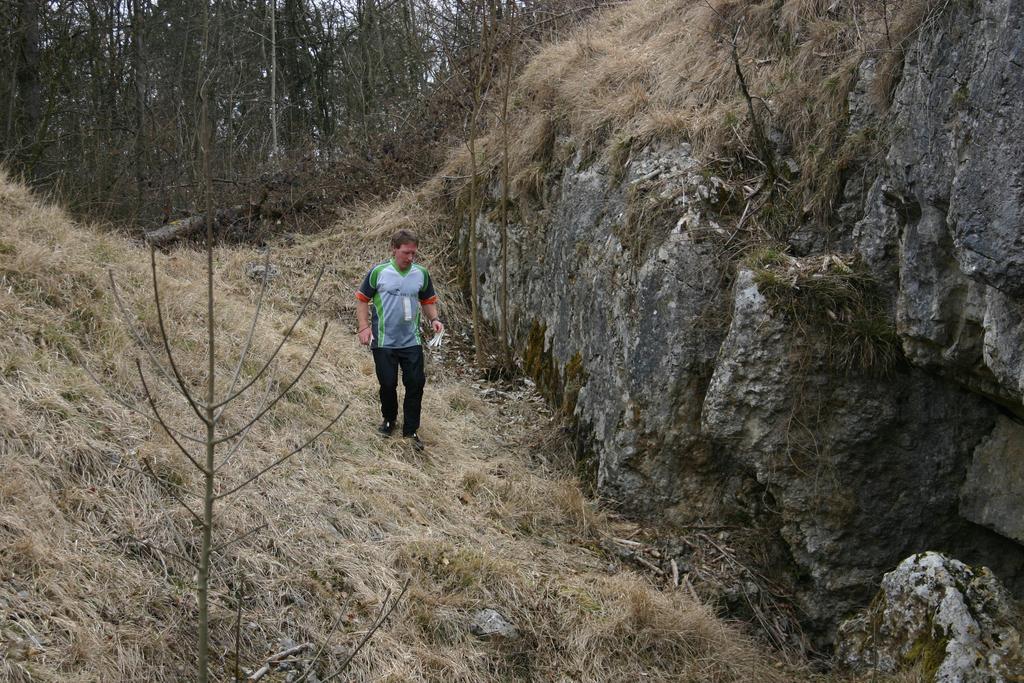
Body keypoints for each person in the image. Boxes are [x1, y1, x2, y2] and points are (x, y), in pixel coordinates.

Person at [355, 229, 444, 449]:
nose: (410, 257)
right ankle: (389, 420)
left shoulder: (421, 273)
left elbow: (427, 300)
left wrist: (434, 319)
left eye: (414, 253)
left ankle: (411, 431)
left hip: (411, 341)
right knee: (387, 384)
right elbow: (362, 299)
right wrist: (364, 327)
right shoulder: (379, 272)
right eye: (406, 252)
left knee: (415, 384)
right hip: (383, 340)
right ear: (394, 249)